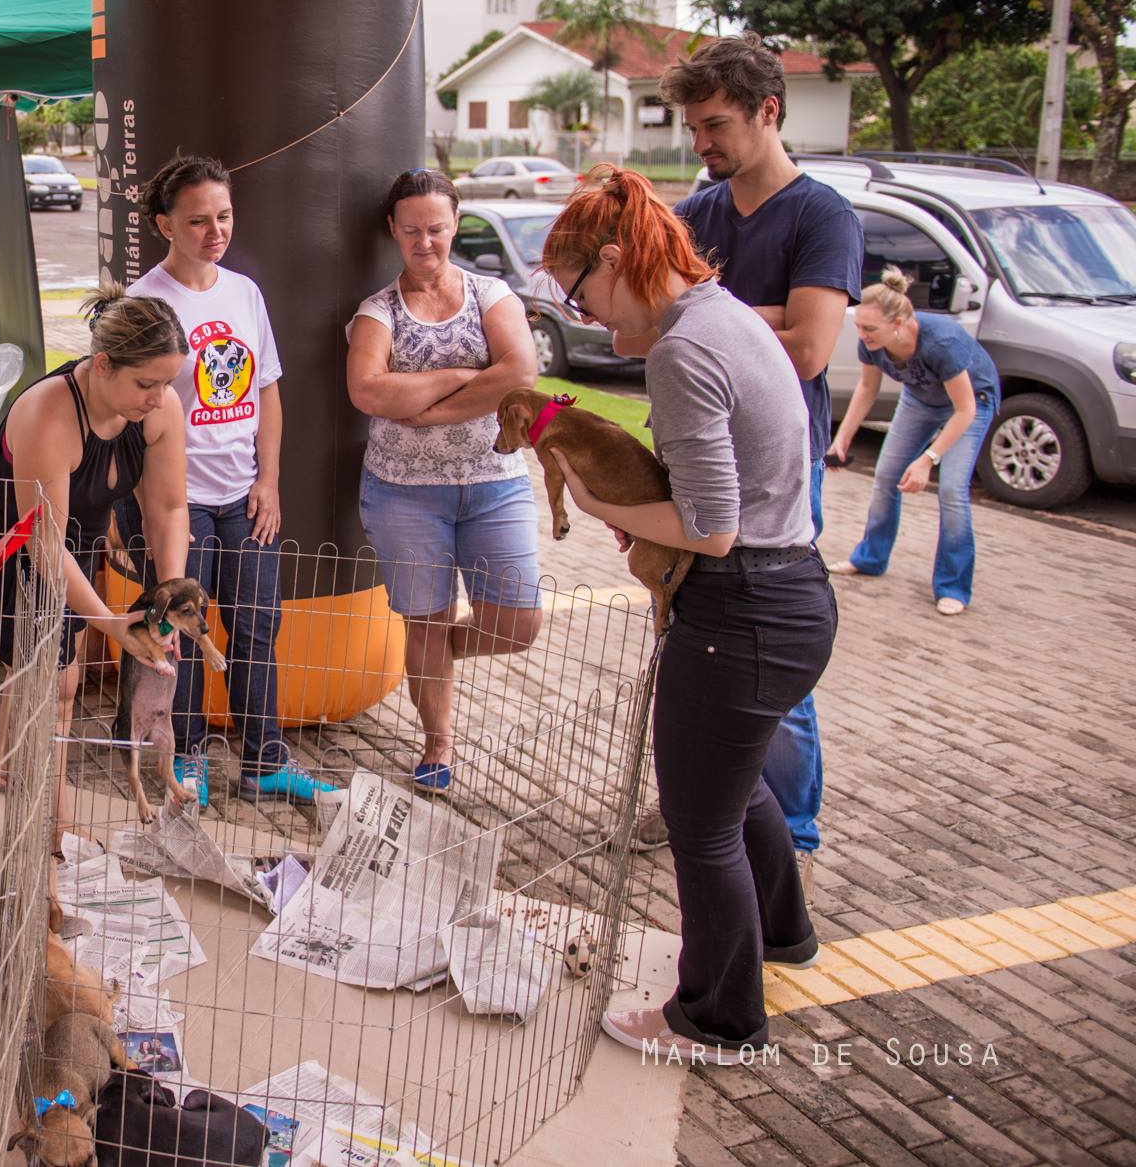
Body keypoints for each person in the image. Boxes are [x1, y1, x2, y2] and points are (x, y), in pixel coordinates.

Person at [539, 166, 836, 1063]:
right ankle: (783, 933)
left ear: (620, 257)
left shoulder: (682, 349)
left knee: (700, 827)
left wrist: (601, 508)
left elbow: (709, 527)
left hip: (739, 609)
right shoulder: (724, 312)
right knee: (736, 790)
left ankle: (716, 1017)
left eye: (579, 292)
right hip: (792, 597)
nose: (584, 315)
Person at [654, 33, 862, 865]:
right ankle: (723, 806)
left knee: (768, 663)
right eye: (694, 129)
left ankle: (791, 831)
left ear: (767, 112)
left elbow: (811, 348)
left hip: (781, 465)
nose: (700, 144)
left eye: (714, 126)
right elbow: (655, 319)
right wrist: (758, 317)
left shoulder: (823, 214)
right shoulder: (696, 214)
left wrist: (712, 318)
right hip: (695, 453)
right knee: (700, 643)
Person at [113, 155, 333, 806]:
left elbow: (266, 388)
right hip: (176, 501)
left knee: (257, 624)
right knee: (182, 630)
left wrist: (268, 480)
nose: (217, 231)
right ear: (165, 225)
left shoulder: (244, 292)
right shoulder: (144, 301)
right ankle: (187, 760)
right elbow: (124, 409)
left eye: (225, 216)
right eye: (199, 220)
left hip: (242, 495)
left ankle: (265, 761)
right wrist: (128, 512)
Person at [0, 286, 190, 819]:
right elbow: (43, 540)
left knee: (40, 669)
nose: (159, 397)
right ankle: (53, 834)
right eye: (146, 383)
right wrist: (110, 623)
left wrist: (167, 602)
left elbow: (169, 510)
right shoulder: (48, 412)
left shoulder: (158, 407)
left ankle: (3, 758)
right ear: (102, 365)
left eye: (168, 382)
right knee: (56, 684)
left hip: (69, 547)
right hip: (3, 550)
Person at [345, 167, 541, 795]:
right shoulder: (378, 311)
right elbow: (368, 390)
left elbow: (522, 374)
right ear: (393, 232)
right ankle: (438, 744)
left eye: (436, 227)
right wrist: (465, 375)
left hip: (495, 481)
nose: (424, 241)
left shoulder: (491, 295)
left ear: (455, 223)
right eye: (411, 231)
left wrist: (425, 405)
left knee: (518, 624)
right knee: (424, 620)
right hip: (404, 489)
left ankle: (434, 655)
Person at [826, 268, 999, 615]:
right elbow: (867, 388)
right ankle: (871, 558)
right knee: (886, 476)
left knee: (951, 491)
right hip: (920, 398)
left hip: (970, 403)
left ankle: (953, 586)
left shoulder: (941, 343)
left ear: (900, 323)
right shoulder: (871, 343)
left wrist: (928, 459)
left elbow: (964, 410)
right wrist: (841, 439)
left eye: (870, 329)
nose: (862, 335)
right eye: (859, 326)